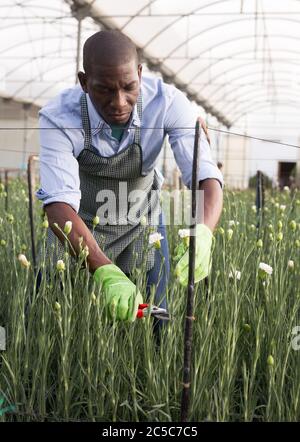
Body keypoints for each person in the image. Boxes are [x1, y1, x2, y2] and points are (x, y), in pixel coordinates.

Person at [36, 30, 223, 326]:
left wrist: (204, 232)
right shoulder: (59, 117)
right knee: (53, 318)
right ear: (84, 82)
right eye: (104, 90)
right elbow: (58, 202)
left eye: (128, 87)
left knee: (158, 319)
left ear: (139, 73)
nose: (120, 102)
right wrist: (104, 270)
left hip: (142, 223)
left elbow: (205, 174)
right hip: (79, 224)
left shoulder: (168, 103)